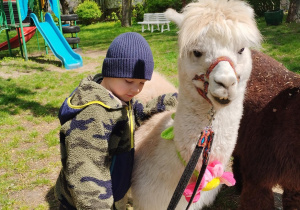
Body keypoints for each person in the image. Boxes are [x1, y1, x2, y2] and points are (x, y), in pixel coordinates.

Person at [54, 32, 178, 209]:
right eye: (129, 81)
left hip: (114, 194)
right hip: (88, 202)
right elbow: (86, 175)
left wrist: (170, 101)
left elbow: (136, 113)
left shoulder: (118, 99)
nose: (136, 89)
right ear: (110, 71)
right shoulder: (92, 116)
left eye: (142, 83)